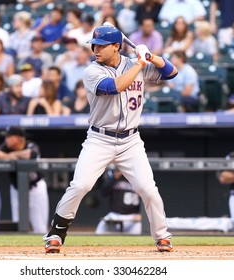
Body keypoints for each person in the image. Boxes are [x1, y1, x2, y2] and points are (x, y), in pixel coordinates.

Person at [43, 24, 178, 254]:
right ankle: (56, 233)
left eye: (102, 46)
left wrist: (152, 56)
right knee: (81, 185)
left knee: (148, 189)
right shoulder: (92, 71)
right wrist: (141, 63)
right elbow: (116, 86)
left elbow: (172, 72)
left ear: (116, 46)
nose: (95, 49)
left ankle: (162, 237)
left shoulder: (135, 63)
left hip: (131, 141)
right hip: (100, 138)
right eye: (94, 45)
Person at [0, 126, 49, 234]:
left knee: (40, 227)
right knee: (18, 225)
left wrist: (10, 156)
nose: (6, 140)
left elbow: (31, 154)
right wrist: (14, 156)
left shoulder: (31, 145)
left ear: (19, 138)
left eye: (9, 137)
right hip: (16, 189)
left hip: (35, 188)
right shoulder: (6, 147)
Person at [95, 169, 142, 235]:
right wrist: (114, 178)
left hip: (133, 216)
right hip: (115, 215)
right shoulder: (115, 175)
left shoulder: (139, 177)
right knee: (100, 231)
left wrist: (142, 215)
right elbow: (103, 192)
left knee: (142, 233)